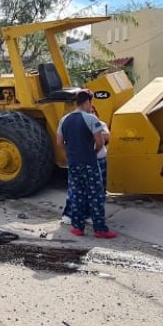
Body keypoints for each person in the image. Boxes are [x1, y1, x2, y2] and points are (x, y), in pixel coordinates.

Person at [56, 90, 117, 238]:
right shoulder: (91, 119)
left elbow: (59, 143)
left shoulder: (64, 120)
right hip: (90, 163)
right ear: (87, 102)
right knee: (95, 195)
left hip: (73, 163)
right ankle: (100, 229)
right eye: (91, 103)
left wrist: (72, 152)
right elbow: (100, 142)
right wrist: (93, 153)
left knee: (76, 194)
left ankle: (77, 227)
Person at [61, 106, 111, 231]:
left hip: (99, 161)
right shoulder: (76, 124)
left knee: (95, 191)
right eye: (89, 112)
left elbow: (106, 136)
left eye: (93, 112)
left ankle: (88, 217)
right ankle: (70, 215)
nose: (91, 113)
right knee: (79, 190)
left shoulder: (100, 124)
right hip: (85, 161)